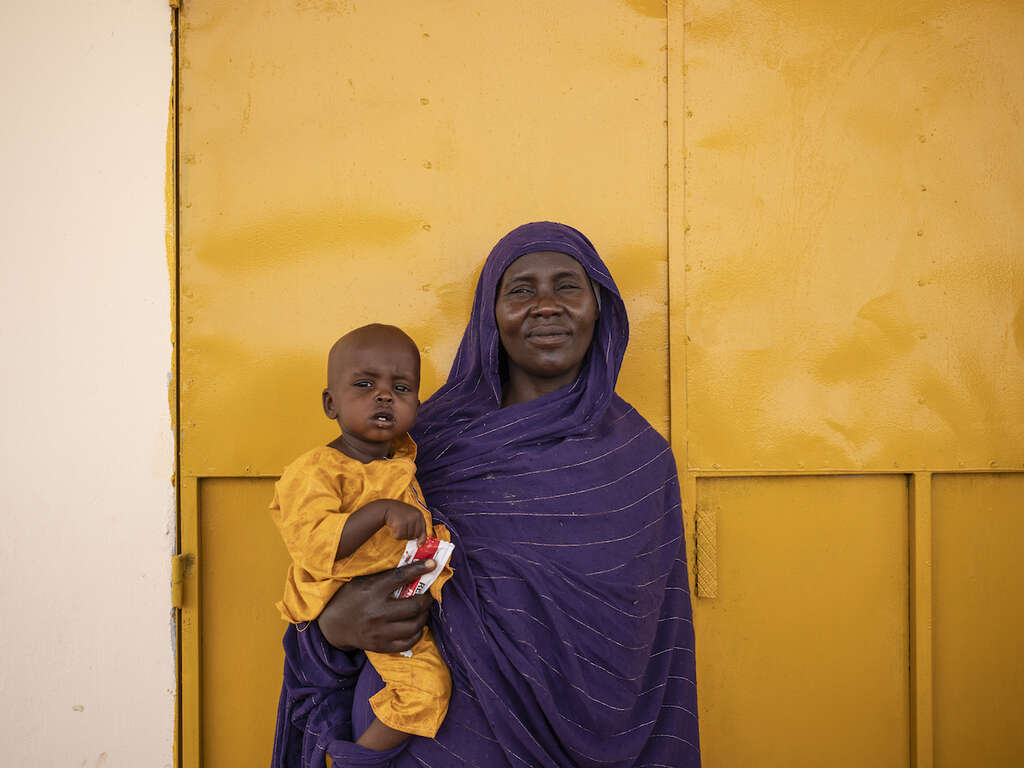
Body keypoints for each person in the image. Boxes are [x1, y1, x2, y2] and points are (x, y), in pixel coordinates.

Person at [272, 222, 701, 767]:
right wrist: (332, 626)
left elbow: (655, 637)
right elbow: (321, 558)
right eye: (520, 289)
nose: (545, 305)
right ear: (489, 315)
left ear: (601, 309)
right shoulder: (418, 444)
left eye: (568, 286)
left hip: (601, 734)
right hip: (434, 741)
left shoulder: (637, 460)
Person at [270, 324, 454, 752]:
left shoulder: (403, 462)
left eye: (402, 387)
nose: (385, 395)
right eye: (365, 384)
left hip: (403, 597)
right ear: (329, 403)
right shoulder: (315, 470)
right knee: (426, 691)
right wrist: (379, 513)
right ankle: (359, 761)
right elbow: (315, 549)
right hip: (352, 605)